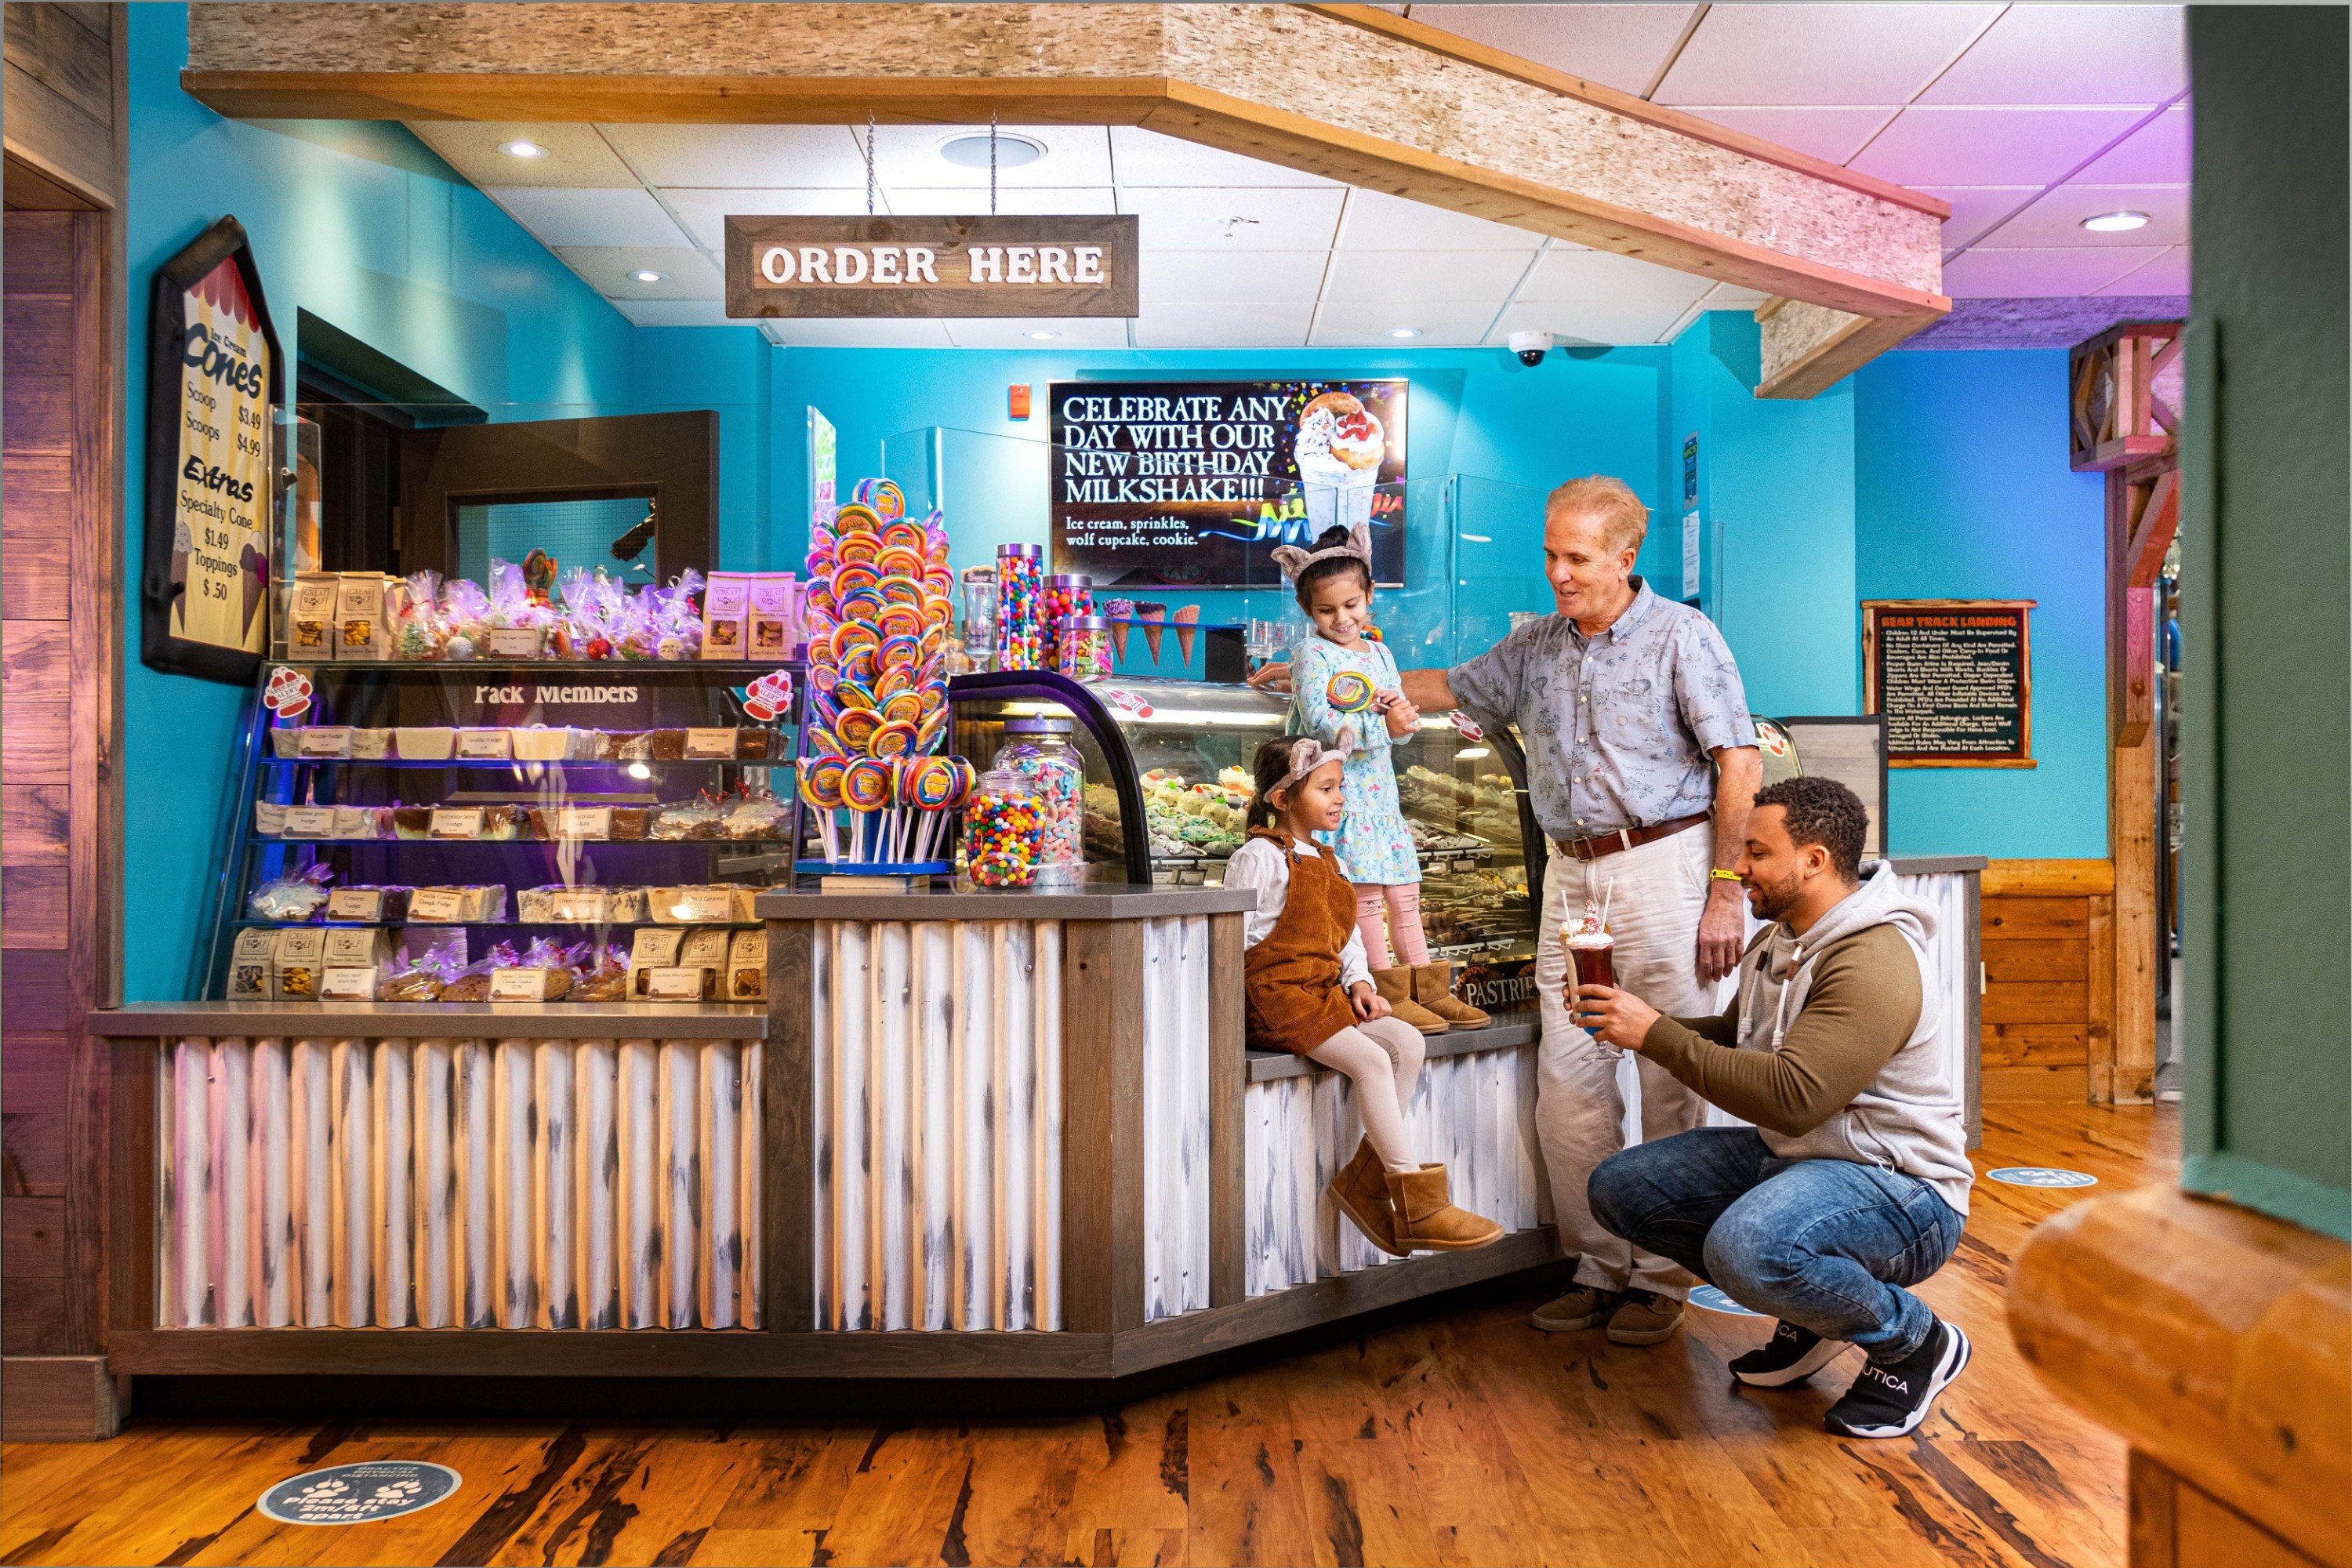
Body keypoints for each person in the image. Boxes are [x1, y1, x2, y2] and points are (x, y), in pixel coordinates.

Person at [1575, 775, 1974, 1439]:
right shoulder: (1781, 939)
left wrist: (1655, 1034)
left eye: (1756, 852)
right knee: (1623, 1187)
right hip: (1805, 1162)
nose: (1737, 868)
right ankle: (1817, 1314)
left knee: (1749, 1247)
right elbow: (1735, 1041)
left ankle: (1914, 1341)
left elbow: (1794, 1099)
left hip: (1904, 1190)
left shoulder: (1873, 958)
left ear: (1814, 860)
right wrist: (1632, 1020)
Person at [1224, 735, 1504, 1256]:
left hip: (1320, 994)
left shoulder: (1331, 859)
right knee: (1374, 1061)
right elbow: (1230, 941)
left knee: (1407, 1041)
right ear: (1282, 799)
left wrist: (1360, 983)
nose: (1339, 798)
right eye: (1325, 788)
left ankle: (1365, 1183)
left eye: (1340, 787)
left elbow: (1347, 935)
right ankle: (1418, 1202)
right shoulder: (1257, 857)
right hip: (1274, 999)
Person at [1273, 521, 1486, 1034]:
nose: (1341, 618)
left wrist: (1403, 721)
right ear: (1309, 611)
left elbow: (1398, 734)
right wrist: (1382, 726)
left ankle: (1432, 991)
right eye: (1327, 610)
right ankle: (1387, 990)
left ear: (1369, 596)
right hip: (1341, 797)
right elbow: (1323, 723)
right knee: (1365, 897)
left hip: (1383, 800)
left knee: (1406, 894)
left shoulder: (1382, 654)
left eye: (1351, 605)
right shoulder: (1311, 655)